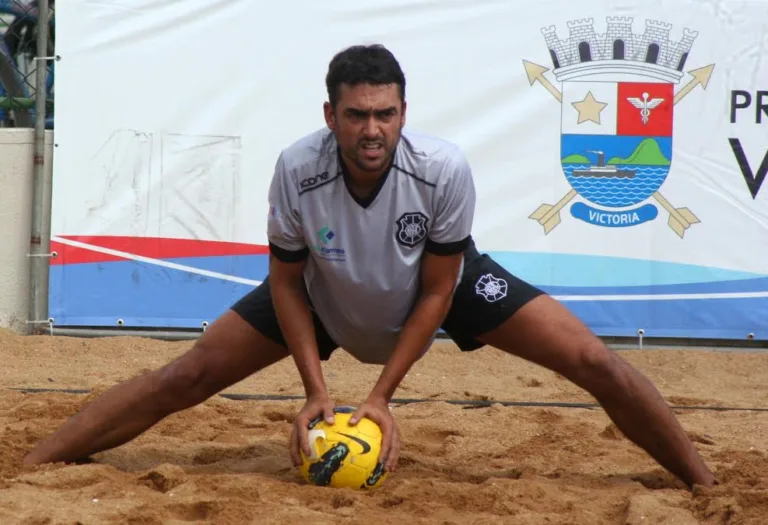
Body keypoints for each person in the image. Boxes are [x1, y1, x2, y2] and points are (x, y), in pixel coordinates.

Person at [24, 44, 717, 490]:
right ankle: (31, 466)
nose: (372, 130)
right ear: (331, 114)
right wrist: (315, 390)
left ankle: (705, 482)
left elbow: (440, 290)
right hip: (323, 289)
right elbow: (288, 282)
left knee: (594, 360)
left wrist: (380, 396)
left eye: (385, 114)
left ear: (403, 111)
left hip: (434, 284)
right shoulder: (297, 168)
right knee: (186, 374)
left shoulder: (442, 167)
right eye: (356, 115)